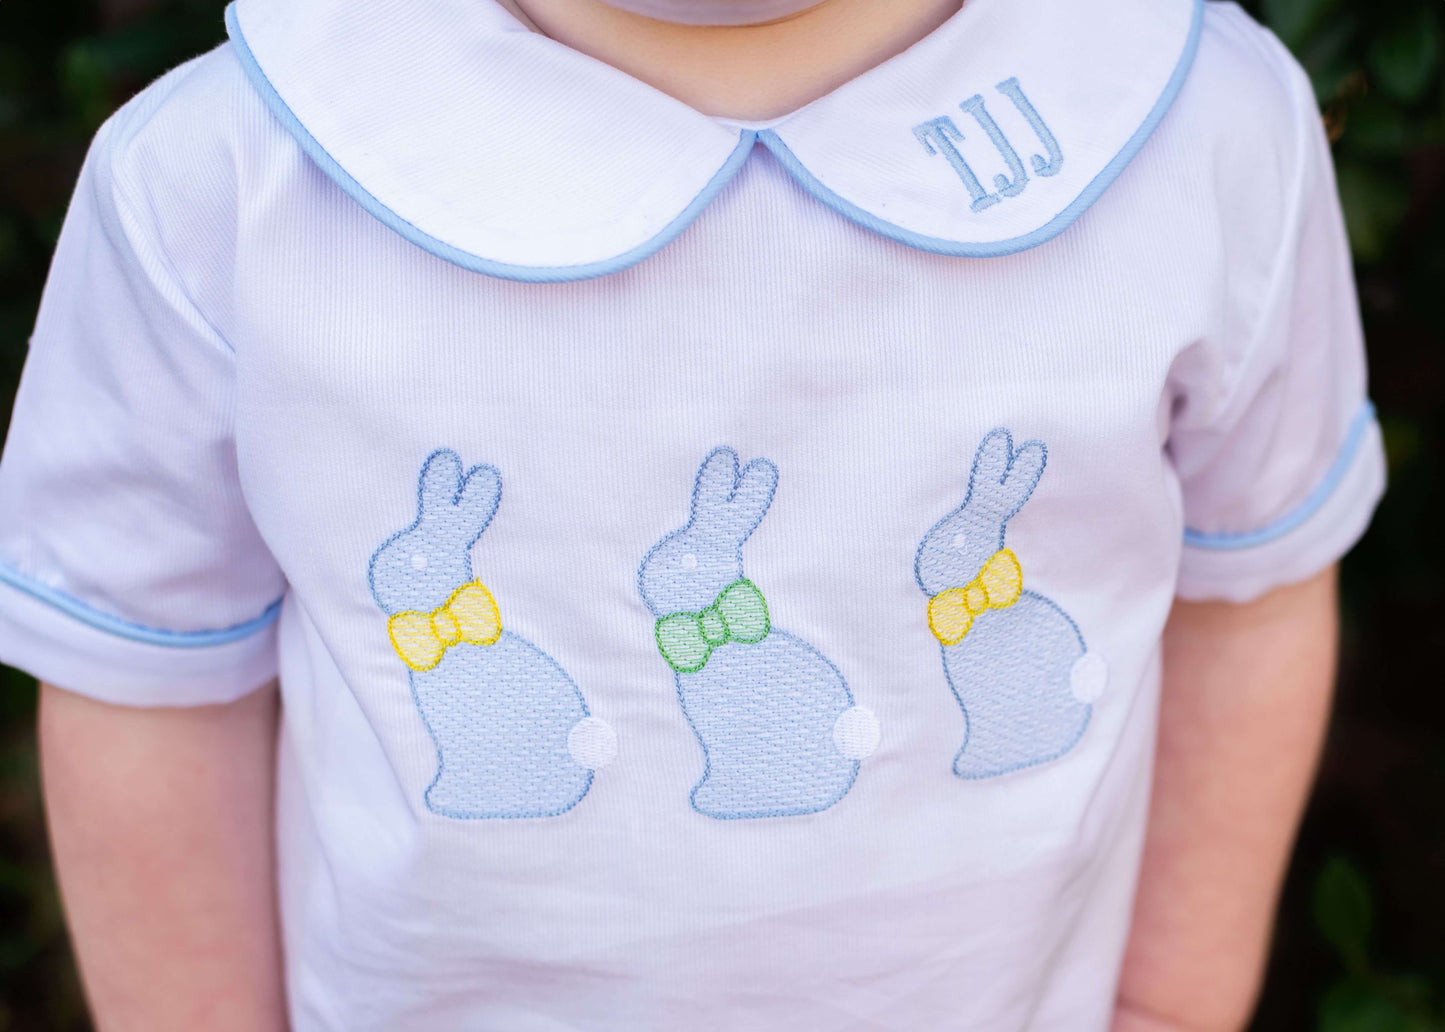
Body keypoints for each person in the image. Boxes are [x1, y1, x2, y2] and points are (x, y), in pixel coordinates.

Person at [0, 0, 1384, 1027]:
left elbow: (1251, 589)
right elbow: (145, 675)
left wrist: (1169, 1003)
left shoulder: (1203, 130)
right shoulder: (224, 184)